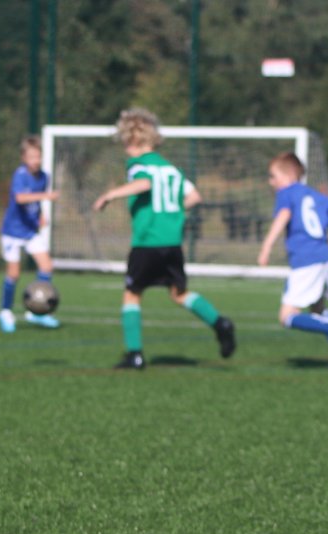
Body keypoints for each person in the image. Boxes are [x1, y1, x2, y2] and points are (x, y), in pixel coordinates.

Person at [92, 108, 235, 370]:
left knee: (132, 295)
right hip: (172, 242)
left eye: (125, 141)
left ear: (132, 139)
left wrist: (110, 195)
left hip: (147, 241)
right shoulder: (170, 168)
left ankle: (134, 354)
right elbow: (194, 197)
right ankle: (220, 323)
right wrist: (171, 211)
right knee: (179, 293)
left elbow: (144, 184)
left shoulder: (138, 165)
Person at [257, 152, 328, 372]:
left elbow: (283, 216)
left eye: (273, 176)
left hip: (305, 262)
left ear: (287, 176)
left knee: (286, 317)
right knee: (319, 311)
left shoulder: (286, 193)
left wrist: (266, 246)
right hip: (323, 259)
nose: (271, 182)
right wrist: (323, 246)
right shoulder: (317, 196)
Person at [0, 135, 60, 333]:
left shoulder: (44, 176)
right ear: (24, 158)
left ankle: (37, 312)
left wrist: (41, 215)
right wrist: (46, 197)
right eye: (32, 157)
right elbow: (21, 198)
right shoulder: (20, 175)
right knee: (14, 274)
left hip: (30, 230)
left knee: (46, 267)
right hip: (12, 232)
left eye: (38, 157)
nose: (36, 161)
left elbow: (35, 203)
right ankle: (5, 312)